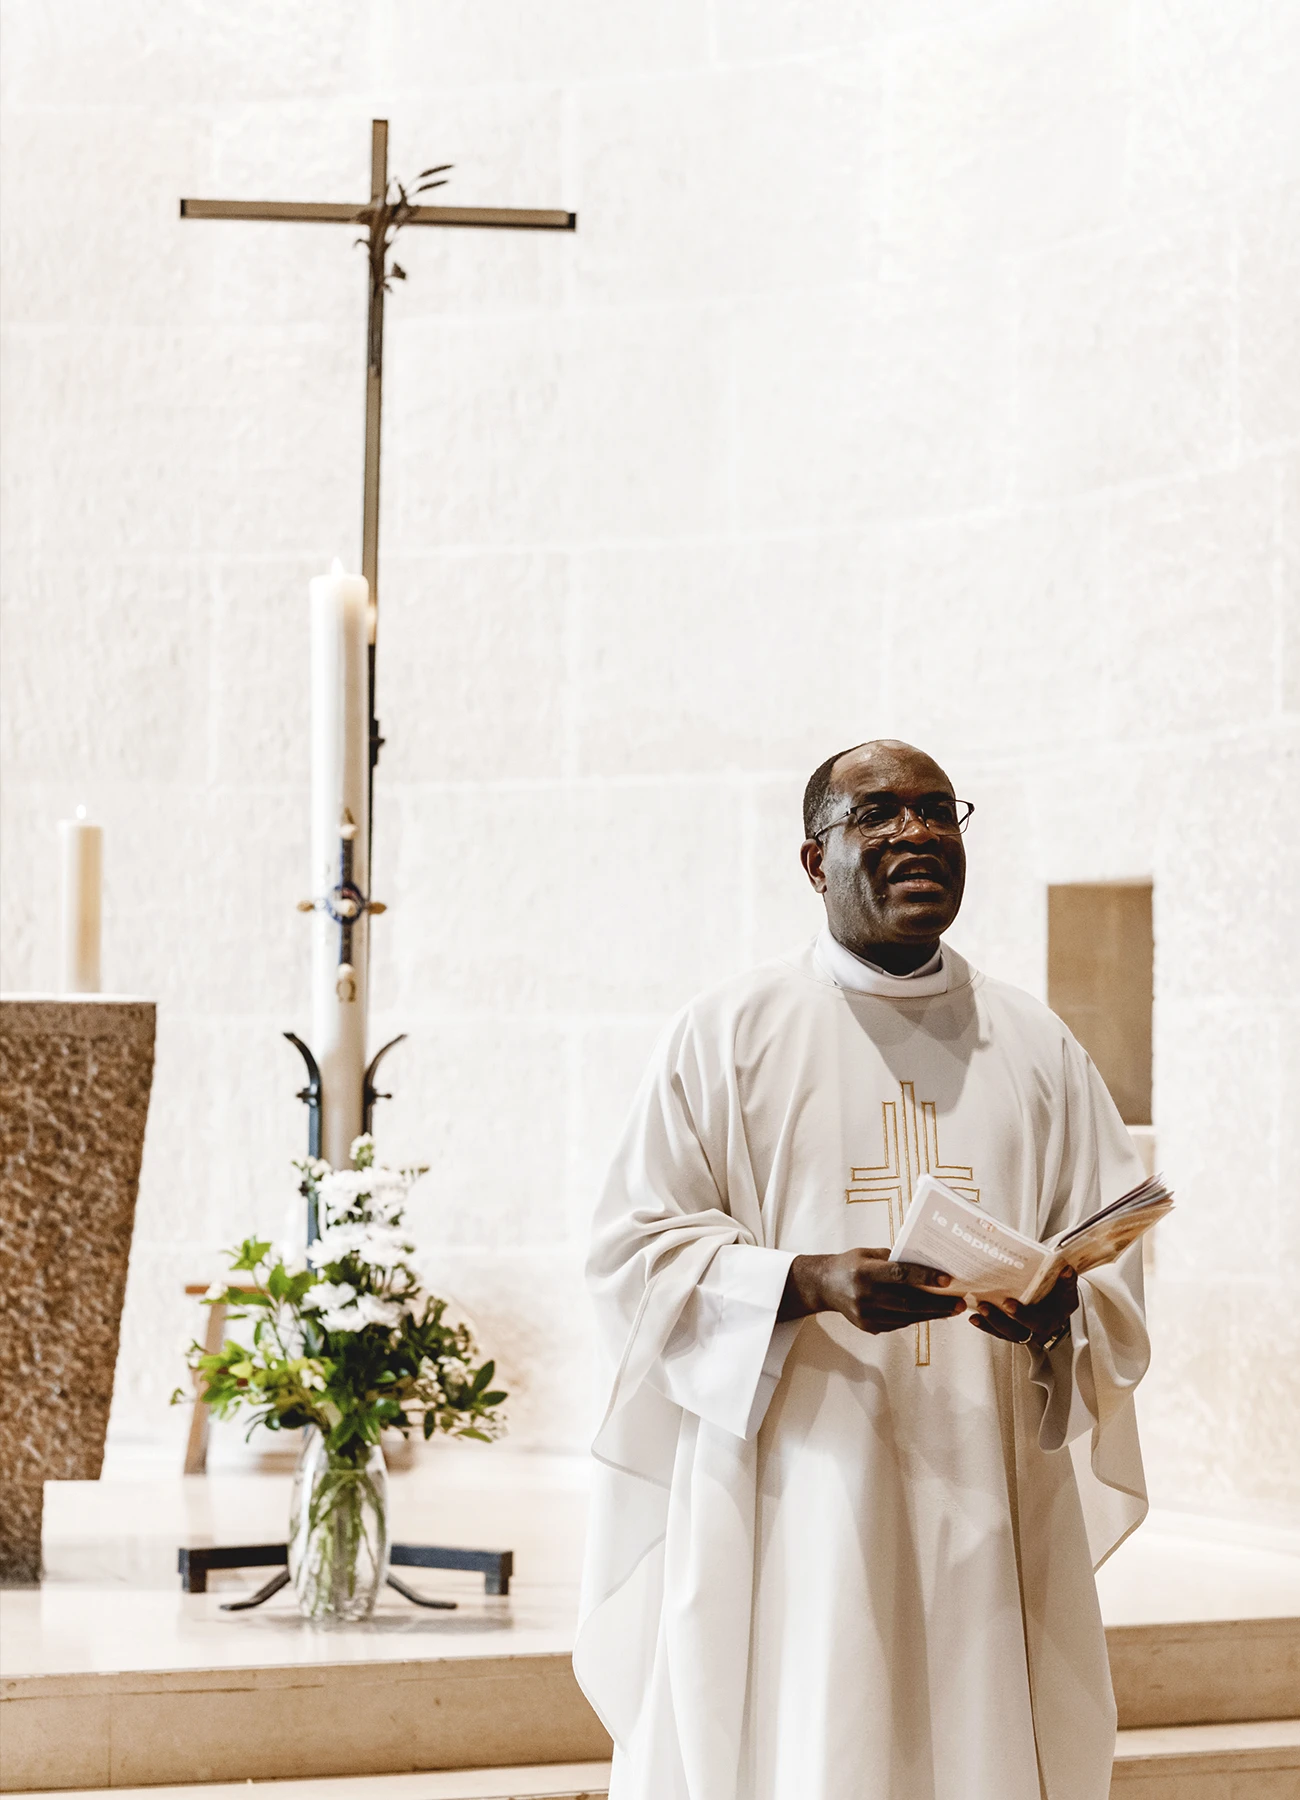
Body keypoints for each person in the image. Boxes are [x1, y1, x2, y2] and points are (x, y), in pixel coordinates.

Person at [575, 739, 1150, 1800]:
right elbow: (629, 1253)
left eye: (938, 811)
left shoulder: (1036, 1045)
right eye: (878, 814)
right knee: (810, 1730)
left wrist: (1054, 1306)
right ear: (814, 861)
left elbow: (1109, 1254)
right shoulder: (728, 1035)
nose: (917, 833)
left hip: (985, 1479)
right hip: (797, 1481)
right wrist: (803, 1282)